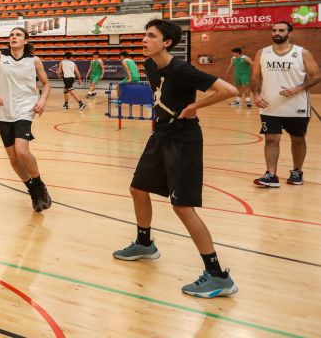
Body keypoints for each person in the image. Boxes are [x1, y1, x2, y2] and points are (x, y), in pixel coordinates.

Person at [112, 19, 239, 298]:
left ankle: (218, 276)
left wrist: (195, 105)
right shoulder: (149, 65)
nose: (143, 40)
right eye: (144, 35)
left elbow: (230, 91)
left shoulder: (181, 69)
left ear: (166, 42)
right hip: (161, 135)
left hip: (184, 140)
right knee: (137, 189)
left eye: (150, 36)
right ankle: (145, 244)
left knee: (182, 207)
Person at [0, 27, 53, 212]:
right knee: (13, 158)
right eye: (11, 35)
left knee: (22, 151)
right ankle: (31, 189)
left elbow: (46, 84)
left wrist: (42, 99)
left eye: (18, 35)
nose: (14, 37)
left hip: (24, 109)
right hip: (2, 110)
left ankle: (39, 184)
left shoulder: (34, 61)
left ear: (26, 41)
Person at [250, 21, 320, 187]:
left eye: (281, 30)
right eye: (274, 30)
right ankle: (271, 175)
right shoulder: (262, 52)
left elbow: (316, 75)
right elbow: (255, 77)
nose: (277, 33)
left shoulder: (302, 53)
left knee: (297, 138)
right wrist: (256, 94)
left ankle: (297, 171)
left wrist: (299, 88)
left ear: (290, 33)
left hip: (297, 105)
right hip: (269, 104)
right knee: (271, 139)